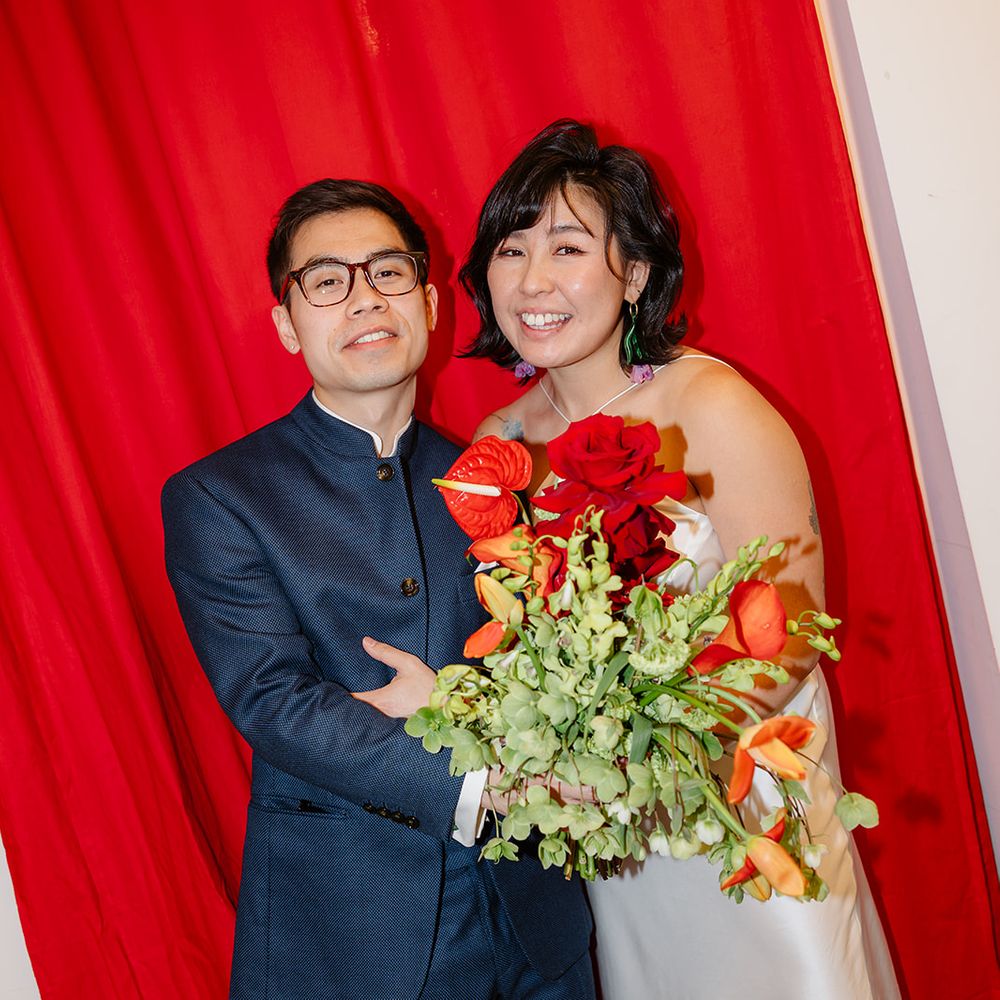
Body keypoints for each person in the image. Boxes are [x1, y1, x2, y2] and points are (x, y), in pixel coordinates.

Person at [457, 120, 901, 999]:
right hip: (615, 839)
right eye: (511, 249)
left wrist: (646, 765)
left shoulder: (714, 404)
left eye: (568, 247)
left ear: (637, 274)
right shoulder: (498, 445)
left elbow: (790, 632)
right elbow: (511, 637)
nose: (533, 281)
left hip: (745, 807)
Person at [161, 179, 594, 1000]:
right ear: (289, 325)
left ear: (429, 303)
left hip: (538, 923)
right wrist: (475, 780)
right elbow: (273, 700)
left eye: (388, 272)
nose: (365, 299)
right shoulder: (220, 497)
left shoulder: (494, 477)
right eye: (328, 282)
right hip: (352, 934)